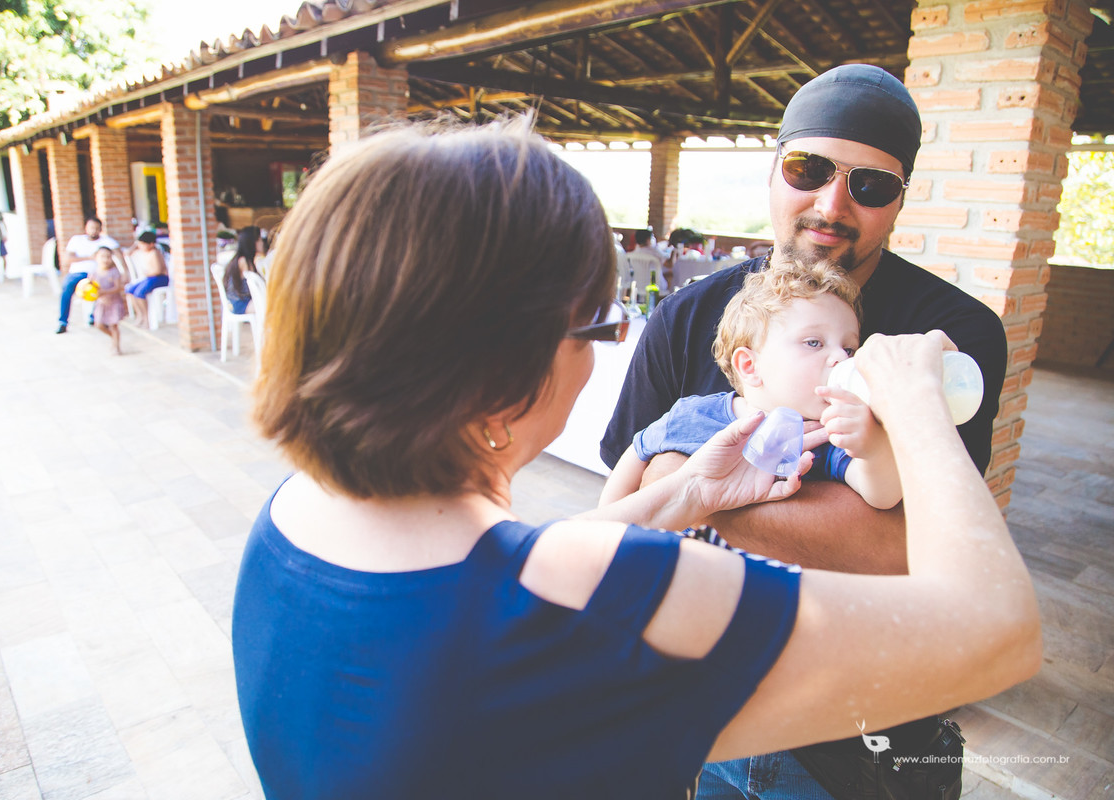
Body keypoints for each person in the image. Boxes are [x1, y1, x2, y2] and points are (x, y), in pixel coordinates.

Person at [231, 119, 1039, 800]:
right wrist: (916, 409)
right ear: (507, 368)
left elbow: (521, 574)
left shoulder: (289, 520)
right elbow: (995, 634)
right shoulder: (605, 595)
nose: (598, 354)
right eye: (598, 324)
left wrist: (685, 495)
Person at [600, 64, 1011, 798]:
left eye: (871, 185)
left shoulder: (951, 337)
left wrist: (690, 493)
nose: (831, 204)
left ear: (900, 200)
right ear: (773, 169)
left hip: (853, 726)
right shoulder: (687, 316)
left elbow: (915, 550)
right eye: (808, 169)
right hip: (699, 694)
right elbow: (621, 507)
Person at [602, 259, 900, 512]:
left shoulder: (828, 434)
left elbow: (883, 496)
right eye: (814, 342)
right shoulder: (696, 415)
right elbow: (638, 451)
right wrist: (607, 527)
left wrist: (873, 448)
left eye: (848, 348)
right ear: (749, 366)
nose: (841, 358)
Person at [57, 216, 123, 334]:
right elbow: (67, 259)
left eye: (97, 228)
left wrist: (125, 271)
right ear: (86, 228)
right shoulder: (76, 240)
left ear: (101, 229)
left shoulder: (106, 241)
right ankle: (63, 322)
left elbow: (119, 255)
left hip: (98, 274)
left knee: (103, 286)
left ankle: (95, 316)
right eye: (91, 228)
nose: (94, 230)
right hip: (77, 274)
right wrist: (90, 257)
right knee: (67, 287)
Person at [124, 230, 169, 327]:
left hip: (159, 278)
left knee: (139, 292)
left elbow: (158, 270)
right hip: (149, 278)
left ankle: (146, 317)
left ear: (151, 244)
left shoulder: (154, 253)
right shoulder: (144, 252)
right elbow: (128, 253)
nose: (140, 246)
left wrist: (147, 273)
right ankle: (140, 315)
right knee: (129, 289)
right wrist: (135, 245)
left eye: (142, 244)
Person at [89, 247, 127, 355]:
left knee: (113, 325)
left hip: (114, 303)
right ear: (96, 257)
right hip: (101, 303)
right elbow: (90, 287)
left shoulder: (114, 272)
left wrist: (104, 292)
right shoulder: (94, 273)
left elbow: (118, 287)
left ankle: (116, 346)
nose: (105, 259)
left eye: (108, 257)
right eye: (102, 256)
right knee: (98, 324)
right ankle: (114, 338)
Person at [223, 226, 260, 314]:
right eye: (259, 240)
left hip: (240, 301)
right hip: (240, 303)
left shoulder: (242, 259)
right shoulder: (244, 262)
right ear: (252, 243)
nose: (261, 243)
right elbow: (256, 285)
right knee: (268, 305)